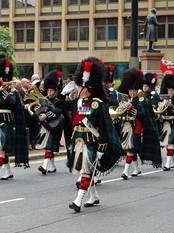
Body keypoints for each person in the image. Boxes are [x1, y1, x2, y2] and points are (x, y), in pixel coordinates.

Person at [56, 57, 122, 212]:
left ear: (87, 88)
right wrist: (62, 93)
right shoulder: (77, 103)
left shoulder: (97, 104)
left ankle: (78, 201)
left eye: (79, 86)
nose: (77, 88)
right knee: (86, 171)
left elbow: (105, 127)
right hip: (79, 141)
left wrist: (101, 148)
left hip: (92, 142)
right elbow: (59, 105)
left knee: (86, 172)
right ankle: (93, 196)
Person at [0, 58, 29, 183]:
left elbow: (13, 102)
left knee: (1, 149)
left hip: (6, 121)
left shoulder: (11, 90)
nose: (0, 80)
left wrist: (3, 91)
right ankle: (8, 171)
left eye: (2, 78)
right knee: (0, 149)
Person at [117, 68, 162, 180]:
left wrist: (132, 108)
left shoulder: (142, 100)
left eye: (134, 90)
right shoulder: (125, 100)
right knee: (132, 150)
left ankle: (125, 171)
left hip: (137, 127)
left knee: (131, 150)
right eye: (130, 90)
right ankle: (136, 168)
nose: (132, 92)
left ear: (137, 90)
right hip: (126, 127)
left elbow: (143, 115)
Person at [34, 70, 64, 175]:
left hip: (56, 125)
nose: (49, 93)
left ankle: (44, 166)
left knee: (50, 146)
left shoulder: (59, 100)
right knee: (48, 146)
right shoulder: (47, 99)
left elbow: (58, 111)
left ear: (56, 91)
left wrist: (46, 115)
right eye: (48, 90)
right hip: (47, 125)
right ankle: (52, 166)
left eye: (51, 91)